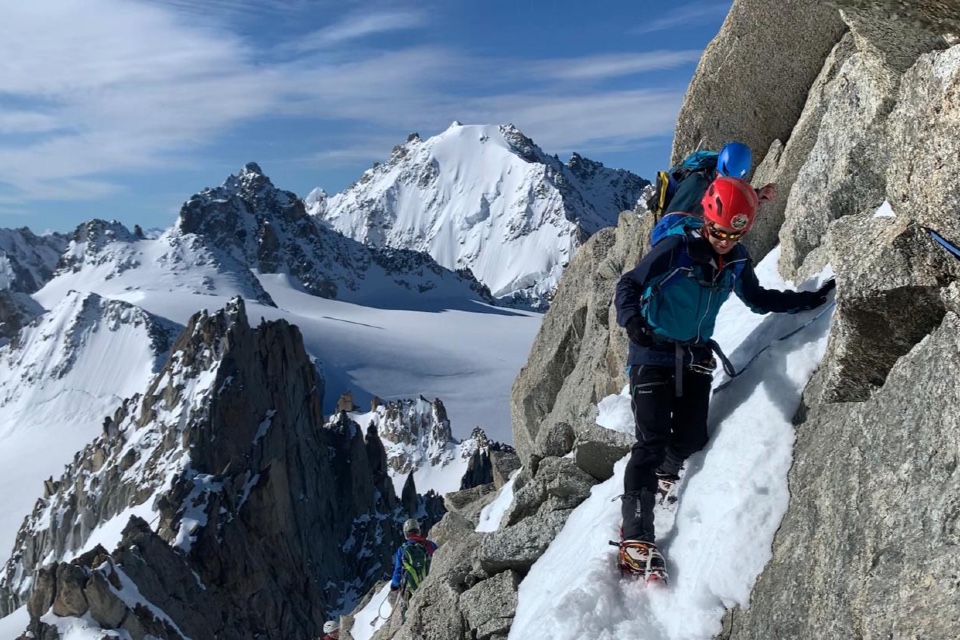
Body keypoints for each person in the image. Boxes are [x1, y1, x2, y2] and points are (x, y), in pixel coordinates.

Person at [614, 175, 835, 579]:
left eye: (733, 235)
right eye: (717, 232)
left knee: (690, 439)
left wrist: (808, 299)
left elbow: (758, 299)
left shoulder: (736, 260)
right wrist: (632, 322)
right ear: (706, 221)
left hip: (695, 355)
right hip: (651, 352)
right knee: (651, 441)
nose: (724, 241)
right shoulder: (676, 249)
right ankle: (636, 538)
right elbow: (629, 283)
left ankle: (665, 474)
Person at [665, 141, 777, 217]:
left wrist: (756, 195)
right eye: (726, 180)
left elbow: (734, 195)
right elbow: (669, 222)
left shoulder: (730, 178)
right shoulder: (696, 184)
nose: (729, 186)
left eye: (735, 182)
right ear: (719, 170)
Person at [389, 518, 438, 602]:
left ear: (406, 534)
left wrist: (394, 585)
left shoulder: (402, 549)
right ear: (418, 531)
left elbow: (398, 571)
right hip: (432, 582)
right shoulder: (430, 545)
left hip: (413, 589)